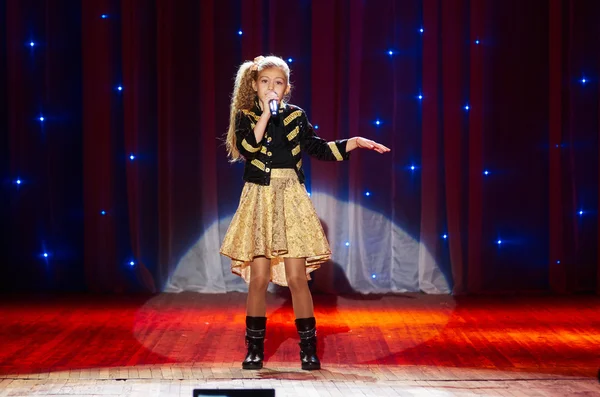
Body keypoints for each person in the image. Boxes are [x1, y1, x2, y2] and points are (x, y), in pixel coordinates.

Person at [220, 55, 390, 371]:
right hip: (261, 198)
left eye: (279, 83)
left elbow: (318, 148)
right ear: (255, 85)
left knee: (298, 277)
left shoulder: (296, 117)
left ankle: (308, 350)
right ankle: (254, 350)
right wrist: (266, 116)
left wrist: (354, 142)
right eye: (266, 82)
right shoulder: (246, 116)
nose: (272, 88)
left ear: (287, 87)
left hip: (291, 197)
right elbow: (249, 147)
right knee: (258, 277)